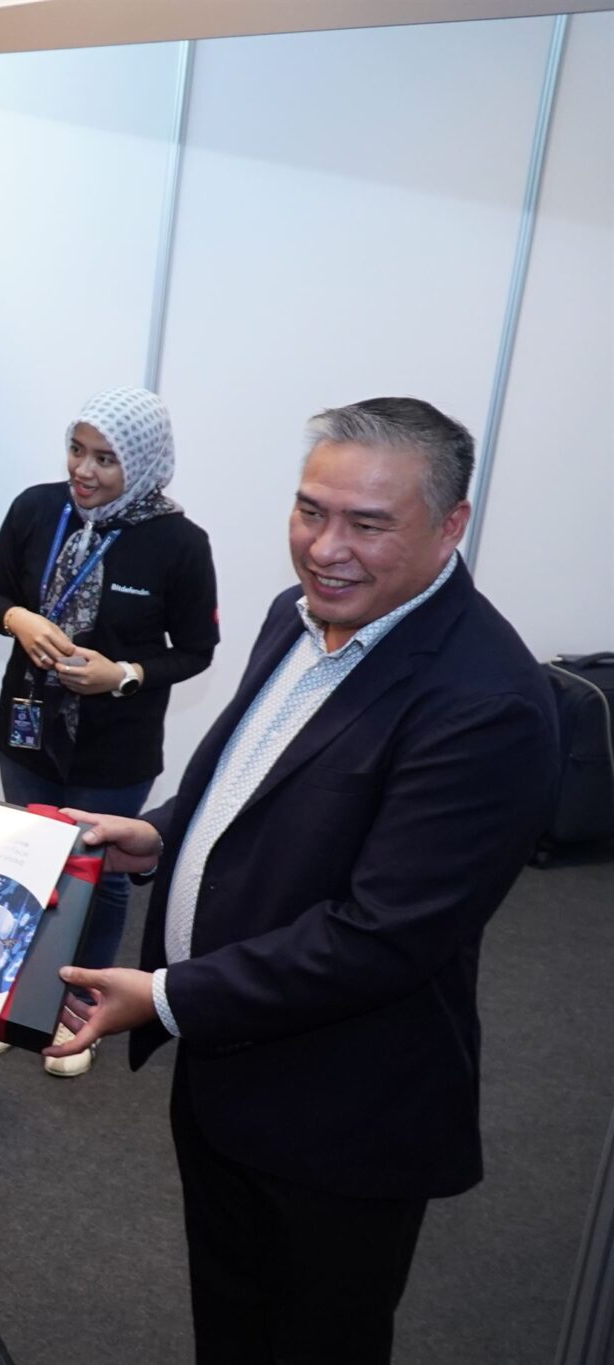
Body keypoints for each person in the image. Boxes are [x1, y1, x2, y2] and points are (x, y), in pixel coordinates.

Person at [47, 397, 560, 1364]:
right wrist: (157, 836)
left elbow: (380, 935)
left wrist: (163, 995)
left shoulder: (486, 702)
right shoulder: (298, 616)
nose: (326, 549)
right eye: (310, 510)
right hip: (227, 1078)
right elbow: (250, 782)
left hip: (342, 1118)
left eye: (368, 523)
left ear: (451, 524)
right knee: (231, 1323)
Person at [0, 386, 218, 1076]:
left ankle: (81, 1008)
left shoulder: (179, 544)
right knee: (29, 858)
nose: (83, 470)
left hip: (117, 745)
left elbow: (195, 650)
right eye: (76, 450)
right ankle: (11, 996)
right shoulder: (35, 508)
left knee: (99, 876)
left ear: (142, 462)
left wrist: (125, 675)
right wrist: (17, 618)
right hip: (28, 726)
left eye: (105, 458)